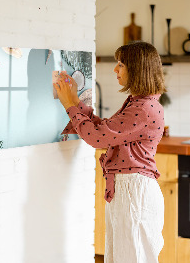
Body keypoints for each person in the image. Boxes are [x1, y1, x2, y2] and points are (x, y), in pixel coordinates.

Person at [54, 41, 166, 263]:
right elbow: (105, 130)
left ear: (137, 69)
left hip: (134, 192)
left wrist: (69, 105)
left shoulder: (143, 108)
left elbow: (97, 138)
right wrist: (76, 101)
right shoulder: (139, 103)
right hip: (129, 190)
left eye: (121, 64)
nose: (115, 69)